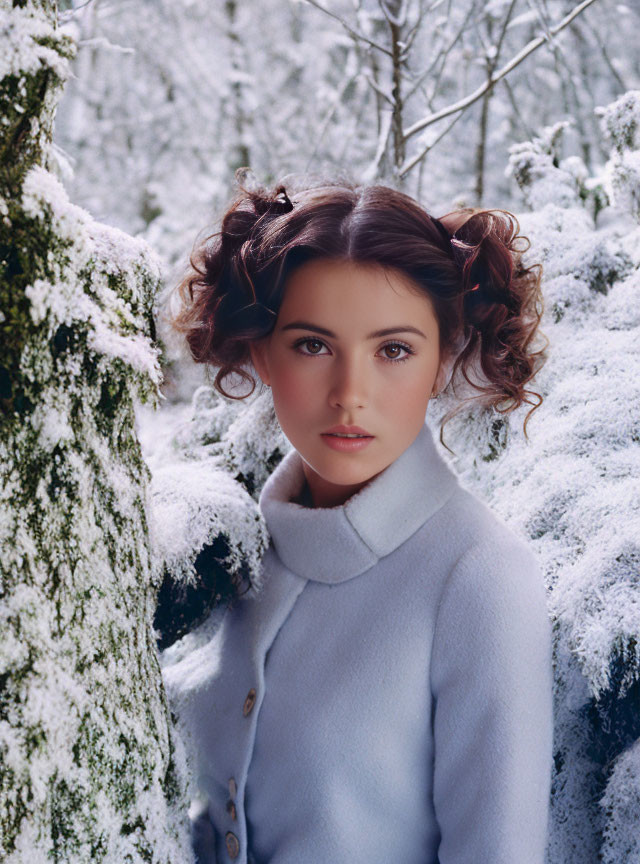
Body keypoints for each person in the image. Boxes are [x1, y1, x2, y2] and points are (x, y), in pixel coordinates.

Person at [166, 172, 555, 864]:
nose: (350, 395)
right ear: (262, 352)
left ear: (441, 361)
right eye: (313, 345)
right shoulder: (235, 556)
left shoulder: (481, 578)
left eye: (394, 350)